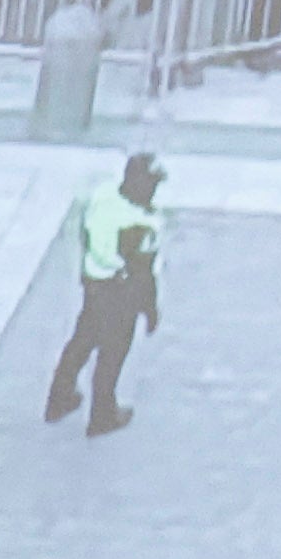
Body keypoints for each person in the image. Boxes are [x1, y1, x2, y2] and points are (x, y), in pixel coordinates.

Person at [42, 153, 165, 434]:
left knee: (83, 340)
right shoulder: (140, 224)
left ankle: (59, 398)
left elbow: (85, 235)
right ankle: (102, 415)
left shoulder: (104, 196)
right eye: (152, 183)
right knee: (113, 353)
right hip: (121, 292)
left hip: (93, 281)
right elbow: (144, 271)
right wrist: (150, 308)